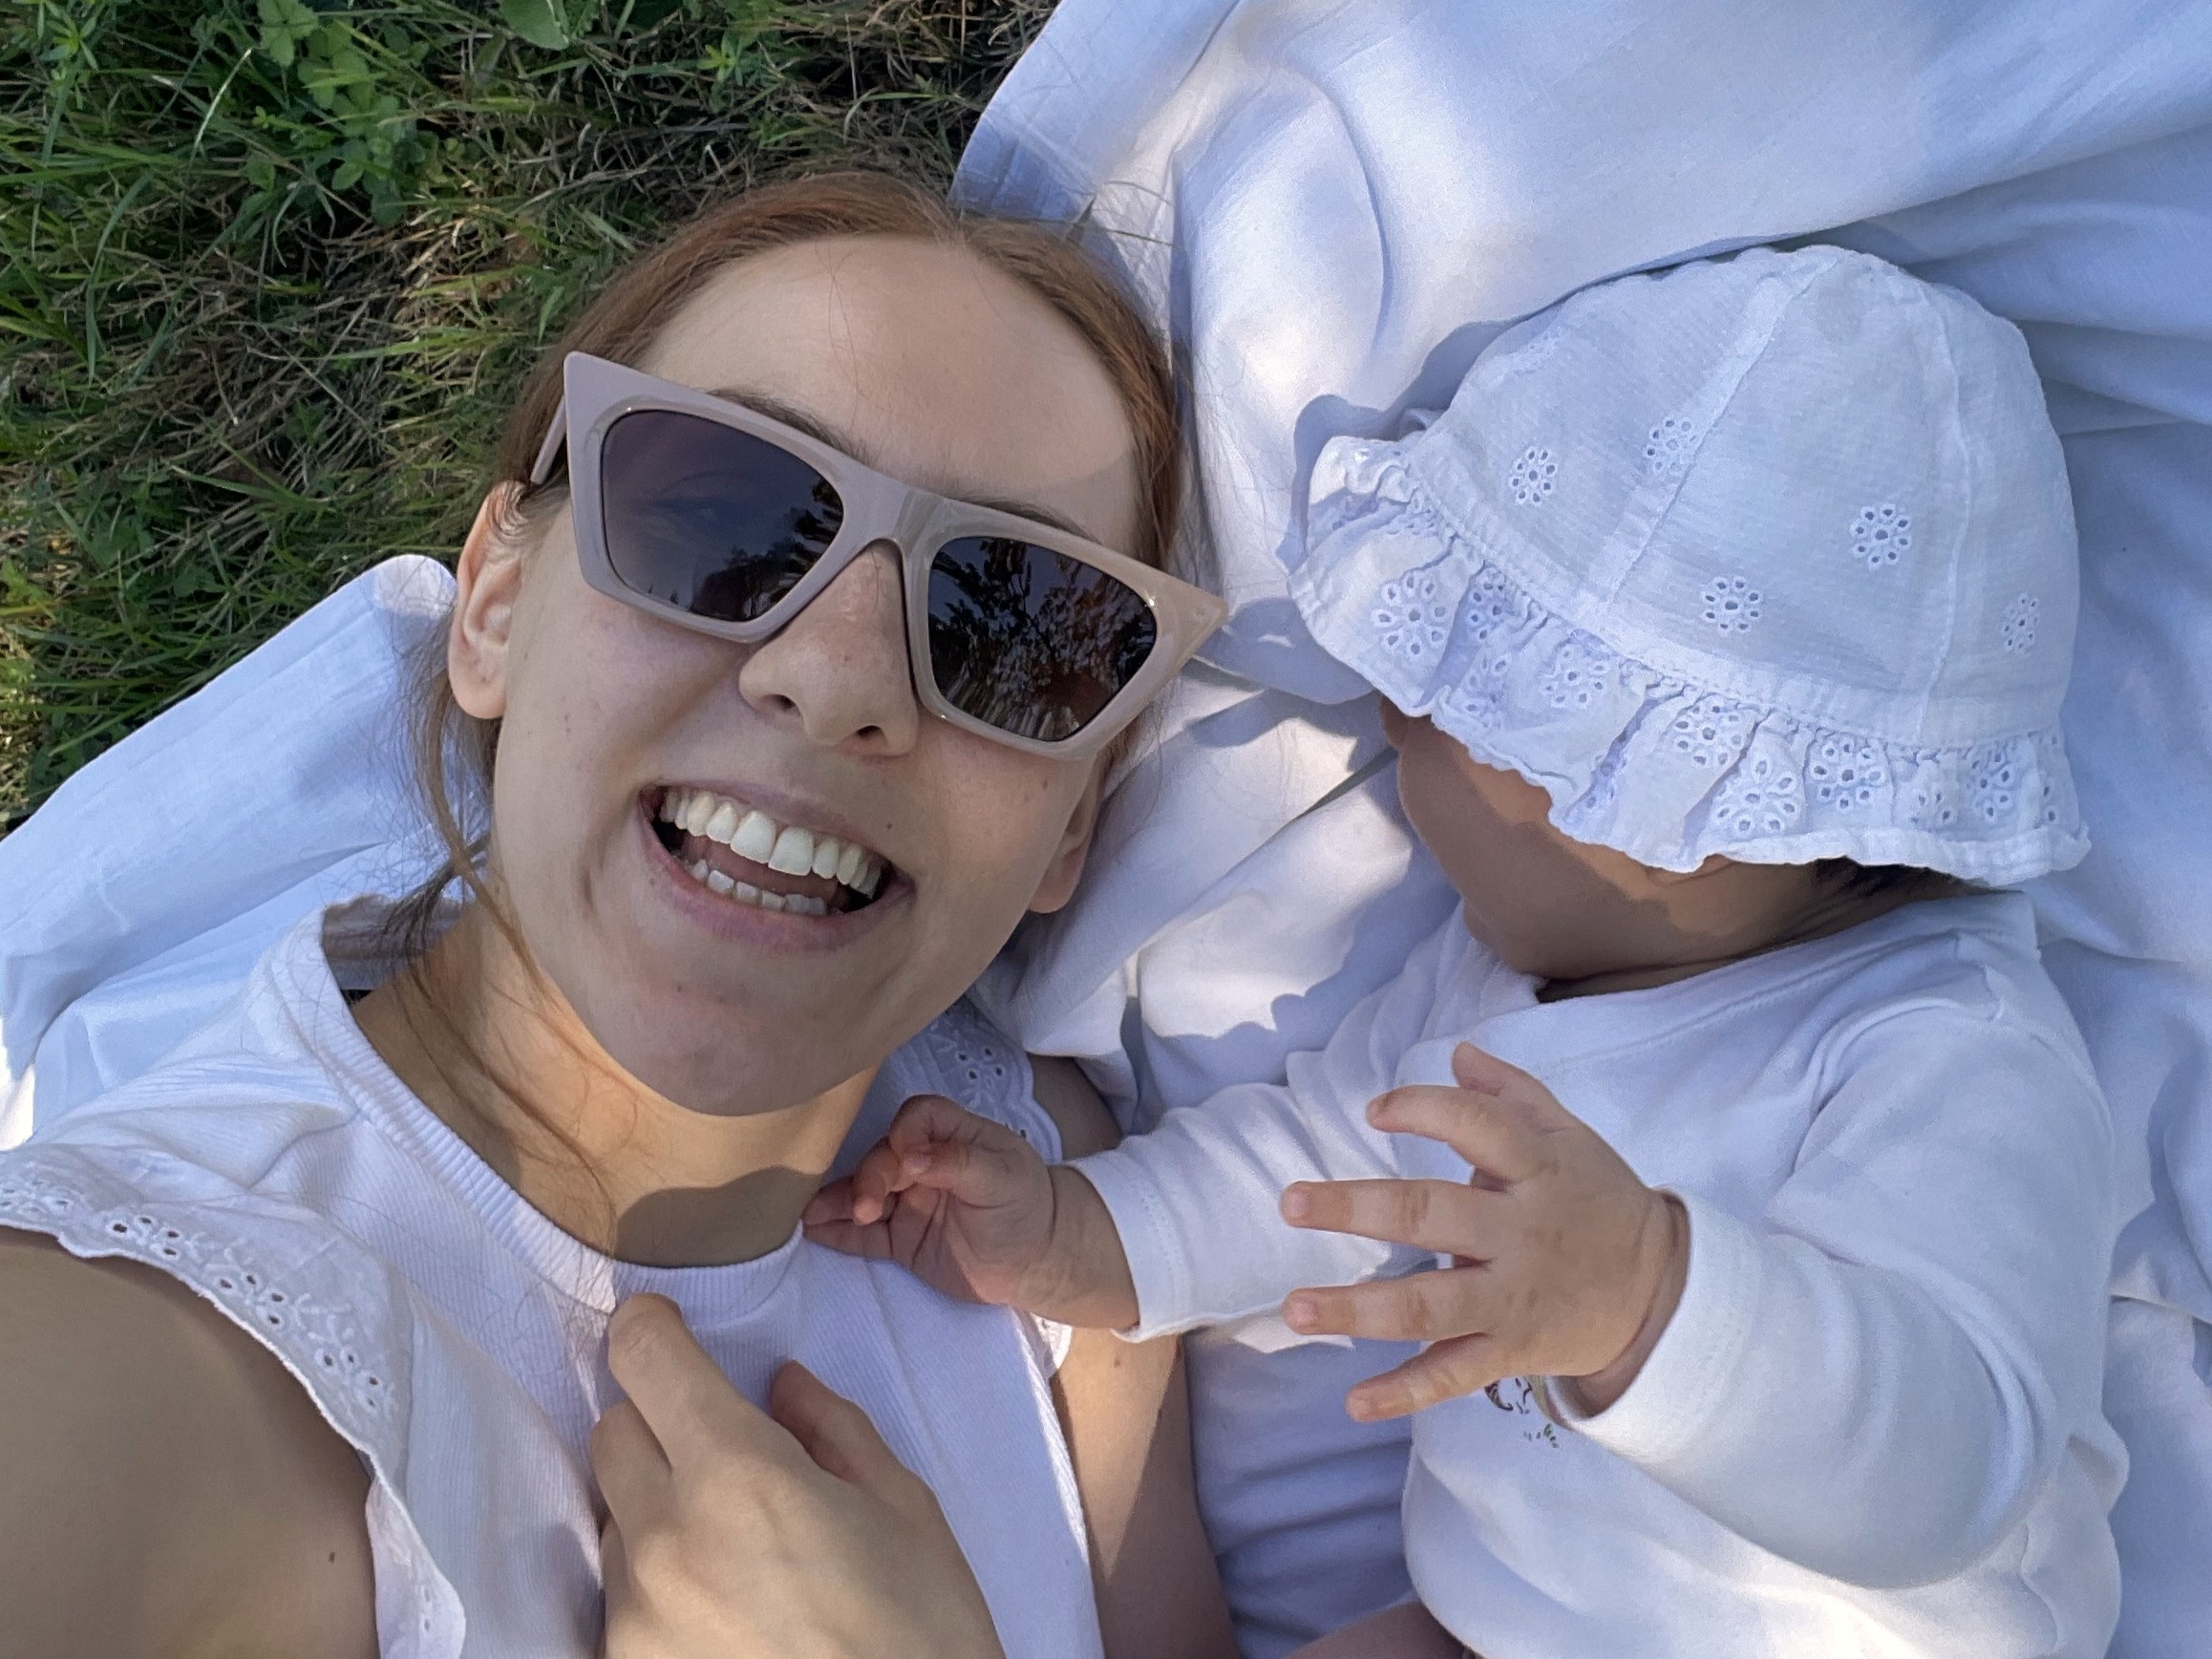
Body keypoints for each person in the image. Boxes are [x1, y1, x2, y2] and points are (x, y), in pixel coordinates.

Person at [808, 246, 2127, 1655]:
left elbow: (1961, 1457)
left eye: (1450, 697)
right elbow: (1319, 1163)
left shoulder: (1948, 1055)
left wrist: (1648, 1300)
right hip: (1494, 1616)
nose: (1389, 722)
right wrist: (1085, 1236)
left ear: (1665, 808)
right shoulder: (1508, 978)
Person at [0, 171, 1236, 1659]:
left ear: (1073, 823)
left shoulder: (1047, 1205)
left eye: (1015, 619)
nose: (837, 676)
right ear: (494, 608)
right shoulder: (148, 1359)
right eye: (727, 516)